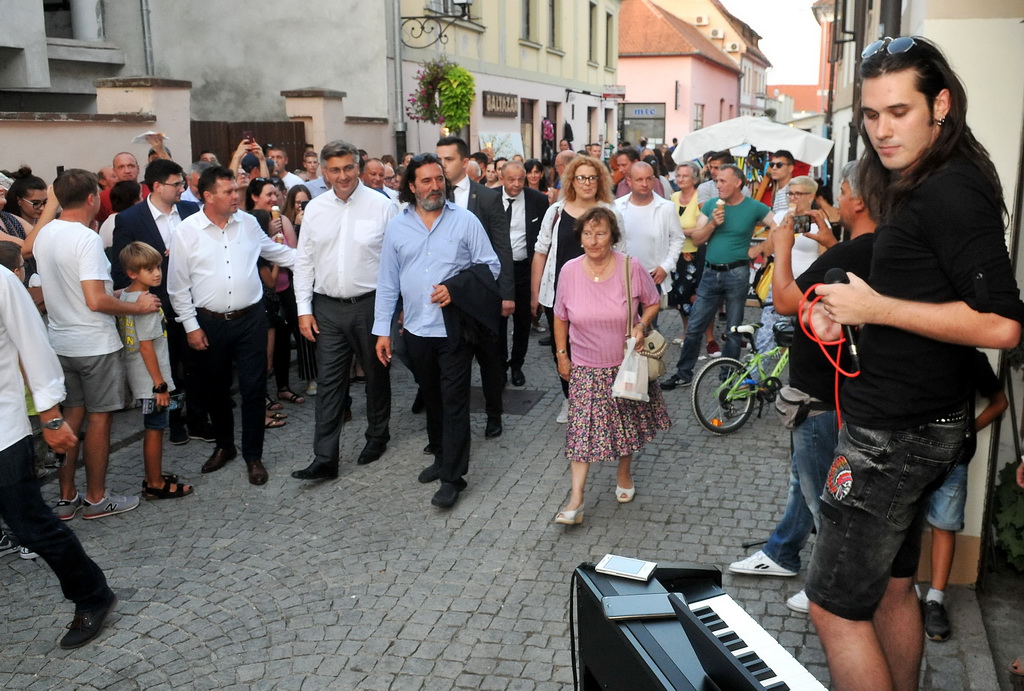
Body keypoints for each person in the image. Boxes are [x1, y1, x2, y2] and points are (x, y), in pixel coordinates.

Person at [808, 37, 1024, 691]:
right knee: (894, 589)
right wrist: (845, 311)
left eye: (898, 112)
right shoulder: (921, 175)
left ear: (941, 104)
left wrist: (876, 308)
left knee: (833, 607)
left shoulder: (953, 189)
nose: (881, 130)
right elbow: (923, 284)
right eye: (871, 115)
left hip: (893, 437)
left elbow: (1003, 323)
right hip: (915, 424)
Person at [728, 160, 876, 615]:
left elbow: (786, 301)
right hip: (831, 394)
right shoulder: (864, 247)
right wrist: (831, 243)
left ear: (858, 198)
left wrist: (782, 248)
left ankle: (826, 588)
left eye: (844, 189)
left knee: (822, 497)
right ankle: (781, 553)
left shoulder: (854, 252)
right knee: (802, 478)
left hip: (821, 398)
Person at [0, 260, 118, 649]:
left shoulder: (1, 281)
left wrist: (52, 417)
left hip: (3, 432)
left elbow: (33, 345)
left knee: (31, 525)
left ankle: (92, 595)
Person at [372, 154, 500, 509]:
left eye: (439, 179)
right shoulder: (398, 226)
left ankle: (453, 477)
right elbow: (387, 282)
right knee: (432, 396)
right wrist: (383, 330)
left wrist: (455, 288)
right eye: (425, 181)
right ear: (411, 187)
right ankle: (441, 456)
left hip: (454, 328)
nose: (434, 186)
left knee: (456, 401)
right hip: (414, 328)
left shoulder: (466, 221)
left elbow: (490, 266)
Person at [34, 169, 156, 519]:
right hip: (94, 344)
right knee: (100, 420)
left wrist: (115, 293)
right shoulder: (85, 238)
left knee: (71, 419)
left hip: (61, 341)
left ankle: (66, 496)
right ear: (92, 199)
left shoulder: (45, 235)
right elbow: (94, 301)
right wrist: (135, 305)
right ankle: (97, 498)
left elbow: (76, 291)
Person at [168, 165, 296, 486]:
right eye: (228, 192)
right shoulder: (187, 231)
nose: (235, 196)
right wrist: (190, 326)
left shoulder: (250, 223)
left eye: (236, 191)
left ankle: (254, 456)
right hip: (209, 323)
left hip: (251, 319)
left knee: (254, 390)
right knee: (216, 391)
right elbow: (177, 287)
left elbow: (272, 250)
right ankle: (225, 447)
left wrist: (311, 258)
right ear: (207, 196)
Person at [552, 206, 669, 524]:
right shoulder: (569, 271)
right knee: (580, 434)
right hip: (585, 366)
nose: (593, 240)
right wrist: (562, 355)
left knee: (625, 427)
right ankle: (576, 499)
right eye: (587, 233)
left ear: (612, 237)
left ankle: (624, 472)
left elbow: (653, 300)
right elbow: (560, 315)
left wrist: (642, 324)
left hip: (623, 362)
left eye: (600, 233)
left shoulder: (630, 267)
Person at [291, 141, 397, 480]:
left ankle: (377, 436)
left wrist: (390, 315)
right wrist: (303, 309)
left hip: (370, 305)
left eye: (348, 168)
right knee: (329, 383)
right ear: (324, 172)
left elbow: (394, 264)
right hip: (326, 309)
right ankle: (325, 458)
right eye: (335, 170)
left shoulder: (382, 206)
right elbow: (303, 262)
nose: (342, 176)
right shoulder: (316, 209)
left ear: (359, 168)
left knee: (375, 376)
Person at [112, 159, 208, 446]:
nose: (183, 189)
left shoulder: (192, 210)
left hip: (193, 301)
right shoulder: (130, 219)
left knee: (197, 364)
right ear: (156, 186)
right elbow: (120, 269)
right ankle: (174, 423)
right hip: (156, 307)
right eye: (177, 184)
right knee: (169, 367)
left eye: (183, 183)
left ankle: (199, 420)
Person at [661, 165, 776, 389]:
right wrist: (713, 223)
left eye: (723, 181)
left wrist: (761, 248)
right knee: (694, 326)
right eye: (717, 181)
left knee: (733, 330)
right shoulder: (712, 205)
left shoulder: (754, 207)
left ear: (738, 183)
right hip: (711, 272)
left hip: (737, 273)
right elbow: (696, 239)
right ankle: (683, 373)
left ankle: (728, 376)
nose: (718, 185)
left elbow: (779, 226)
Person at [921, 350, 1006, 641]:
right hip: (908, 455)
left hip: (954, 459)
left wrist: (968, 431)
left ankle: (934, 600)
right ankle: (897, 595)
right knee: (898, 522)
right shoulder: (912, 350)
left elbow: (999, 402)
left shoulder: (972, 358)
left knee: (944, 524)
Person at [531, 155, 623, 424]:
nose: (587, 183)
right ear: (571, 180)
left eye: (592, 177)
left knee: (597, 348)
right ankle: (571, 398)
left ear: (600, 181)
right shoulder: (556, 211)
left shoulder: (611, 212)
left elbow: (622, 254)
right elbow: (540, 252)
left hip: (600, 296)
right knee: (562, 351)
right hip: (559, 294)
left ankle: (599, 400)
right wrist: (535, 295)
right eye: (581, 177)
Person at [436, 136, 514, 439]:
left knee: (490, 360)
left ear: (465, 161)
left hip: (483, 294)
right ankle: (453, 420)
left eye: (448, 159)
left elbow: (502, 248)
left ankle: (494, 414)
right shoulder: (434, 196)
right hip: (447, 295)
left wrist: (506, 294)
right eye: (439, 158)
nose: (442, 165)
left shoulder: (488, 197)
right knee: (452, 361)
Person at [116, 241, 194, 500]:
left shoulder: (126, 297)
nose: (157, 273)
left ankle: (154, 476)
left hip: (140, 375)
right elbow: (147, 348)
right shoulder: (146, 304)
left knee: (155, 427)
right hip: (151, 380)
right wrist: (160, 385)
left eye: (158, 266)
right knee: (156, 429)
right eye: (149, 269)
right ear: (133, 273)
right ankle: (155, 482)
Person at [244, 177, 306, 410]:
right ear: (254, 197)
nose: (274, 198)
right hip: (263, 296)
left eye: (275, 194)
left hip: (284, 289)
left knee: (282, 342)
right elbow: (269, 273)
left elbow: (292, 252)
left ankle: (283, 386)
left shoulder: (280, 220)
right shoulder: (250, 225)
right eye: (268, 194)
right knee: (264, 351)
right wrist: (276, 250)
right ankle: (264, 396)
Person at [500, 160, 549, 387]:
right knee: (497, 322)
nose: (517, 184)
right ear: (502, 179)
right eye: (511, 180)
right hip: (497, 271)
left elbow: (544, 240)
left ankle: (516, 364)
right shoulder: (488, 199)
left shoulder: (537, 201)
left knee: (522, 322)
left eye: (521, 179)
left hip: (523, 269)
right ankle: (498, 366)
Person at [614, 162, 683, 317]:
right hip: (622, 276)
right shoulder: (617, 207)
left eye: (648, 179)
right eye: (639, 180)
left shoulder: (666, 208)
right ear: (629, 181)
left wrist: (666, 266)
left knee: (648, 329)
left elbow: (678, 239)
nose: (644, 184)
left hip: (653, 277)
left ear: (654, 180)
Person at [668, 161, 718, 356]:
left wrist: (679, 231)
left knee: (701, 295)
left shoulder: (701, 197)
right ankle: (687, 330)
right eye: (678, 175)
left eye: (685, 176)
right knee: (681, 295)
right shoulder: (673, 197)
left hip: (698, 253)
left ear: (695, 179)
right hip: (677, 253)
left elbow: (700, 229)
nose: (680, 179)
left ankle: (709, 337)